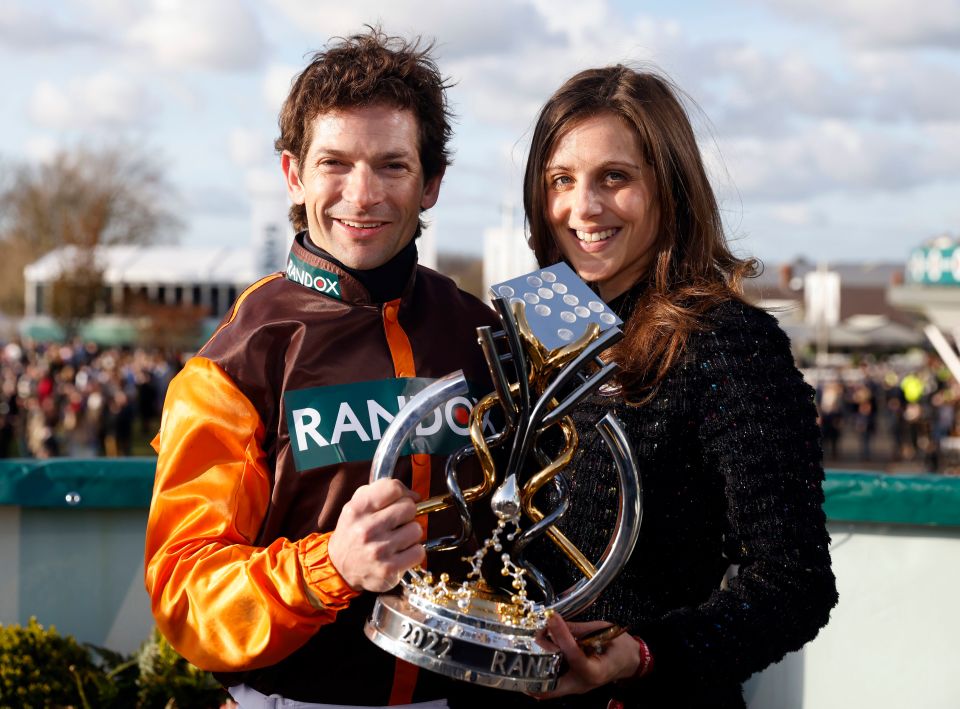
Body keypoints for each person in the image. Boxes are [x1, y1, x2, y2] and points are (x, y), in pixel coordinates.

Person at [144, 29, 498, 707]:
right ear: (294, 175)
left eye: (392, 166)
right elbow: (184, 590)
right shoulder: (241, 355)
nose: (361, 195)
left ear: (432, 184)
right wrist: (328, 565)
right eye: (335, 162)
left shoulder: (479, 331)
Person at [514, 66, 839, 707]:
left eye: (615, 177)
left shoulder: (726, 341)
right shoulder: (535, 322)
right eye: (561, 180)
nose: (583, 208)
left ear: (671, 187)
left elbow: (794, 584)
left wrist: (637, 656)